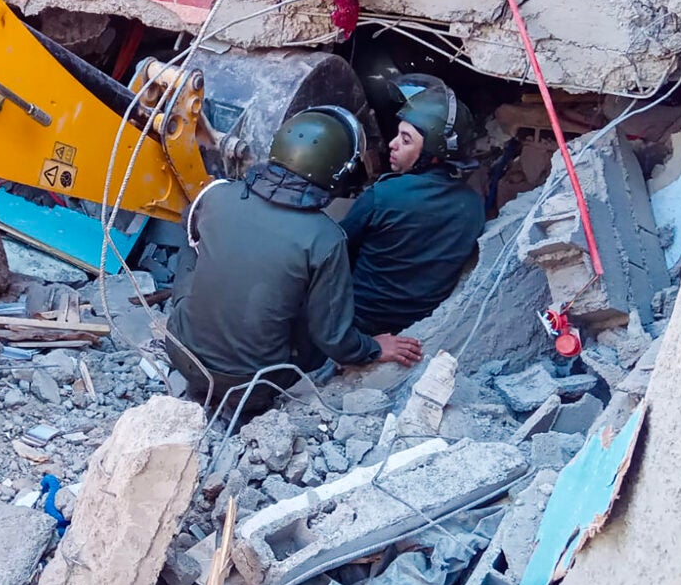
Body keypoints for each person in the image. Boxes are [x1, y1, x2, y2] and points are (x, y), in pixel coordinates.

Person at [165, 106, 423, 414]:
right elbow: (333, 338)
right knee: (310, 319)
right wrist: (374, 348)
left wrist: (185, 291)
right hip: (250, 385)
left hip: (179, 352)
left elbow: (186, 228)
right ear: (338, 171)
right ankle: (253, 407)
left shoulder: (215, 196)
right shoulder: (325, 238)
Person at [340, 74, 485, 336]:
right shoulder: (474, 205)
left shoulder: (384, 194)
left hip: (357, 319)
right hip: (418, 326)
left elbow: (337, 248)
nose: (393, 145)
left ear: (431, 155)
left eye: (406, 140)